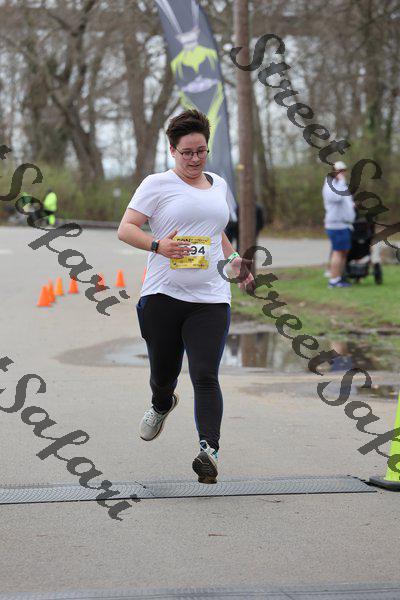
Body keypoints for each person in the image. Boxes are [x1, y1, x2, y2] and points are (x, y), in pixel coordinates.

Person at [118, 109, 255, 484]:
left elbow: (215, 231)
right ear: (172, 151)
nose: (195, 159)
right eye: (187, 152)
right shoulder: (156, 184)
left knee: (205, 374)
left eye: (201, 151)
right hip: (163, 294)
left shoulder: (219, 185)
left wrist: (234, 261)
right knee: (163, 375)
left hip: (211, 297)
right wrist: (158, 245)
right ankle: (162, 402)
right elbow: (126, 229)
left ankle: (209, 451)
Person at [322, 161, 355, 288]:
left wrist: (351, 206)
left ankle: (339, 277)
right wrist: (341, 182)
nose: (341, 173)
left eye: (343, 171)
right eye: (339, 171)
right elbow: (336, 197)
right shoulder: (329, 185)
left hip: (344, 224)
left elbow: (345, 199)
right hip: (336, 224)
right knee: (338, 251)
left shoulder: (340, 184)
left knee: (343, 251)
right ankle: (333, 280)